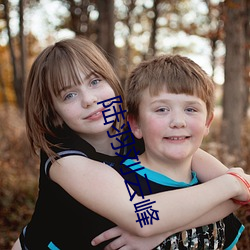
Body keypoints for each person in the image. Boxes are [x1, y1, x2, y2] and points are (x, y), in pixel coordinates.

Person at [11, 37, 250, 250]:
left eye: (94, 82)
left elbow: (239, 195)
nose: (89, 99)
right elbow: (141, 219)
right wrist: (232, 182)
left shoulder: (139, 130)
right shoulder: (64, 159)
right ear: (54, 113)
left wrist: (165, 230)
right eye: (69, 95)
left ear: (112, 80)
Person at [92, 54, 250, 249]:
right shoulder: (117, 186)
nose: (178, 121)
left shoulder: (214, 190)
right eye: (161, 110)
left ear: (207, 122)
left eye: (191, 109)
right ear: (135, 124)